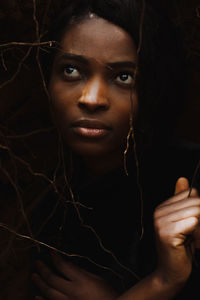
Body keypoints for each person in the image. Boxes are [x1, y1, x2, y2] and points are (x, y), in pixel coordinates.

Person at [1, 0, 200, 299]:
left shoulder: (190, 188)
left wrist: (162, 282)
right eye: (71, 70)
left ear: (155, 86)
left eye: (123, 76)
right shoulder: (39, 199)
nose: (91, 98)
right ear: (46, 78)